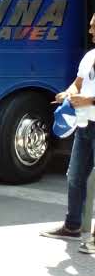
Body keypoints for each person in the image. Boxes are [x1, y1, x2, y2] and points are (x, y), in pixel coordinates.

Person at [41, 13, 95, 254]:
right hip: (85, 125)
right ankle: (73, 226)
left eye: (94, 27)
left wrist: (89, 100)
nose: (90, 31)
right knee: (74, 176)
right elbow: (78, 83)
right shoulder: (90, 56)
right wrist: (68, 93)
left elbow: (87, 94)